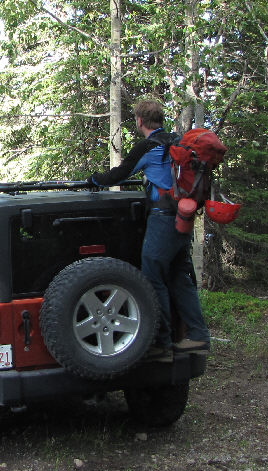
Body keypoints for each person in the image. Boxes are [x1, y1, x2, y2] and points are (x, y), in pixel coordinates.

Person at [89, 99, 210, 362]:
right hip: (183, 217)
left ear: (140, 121)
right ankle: (198, 335)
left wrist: (94, 180)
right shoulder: (179, 142)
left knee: (152, 275)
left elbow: (119, 174)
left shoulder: (148, 146)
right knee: (179, 277)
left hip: (163, 217)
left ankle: (162, 342)